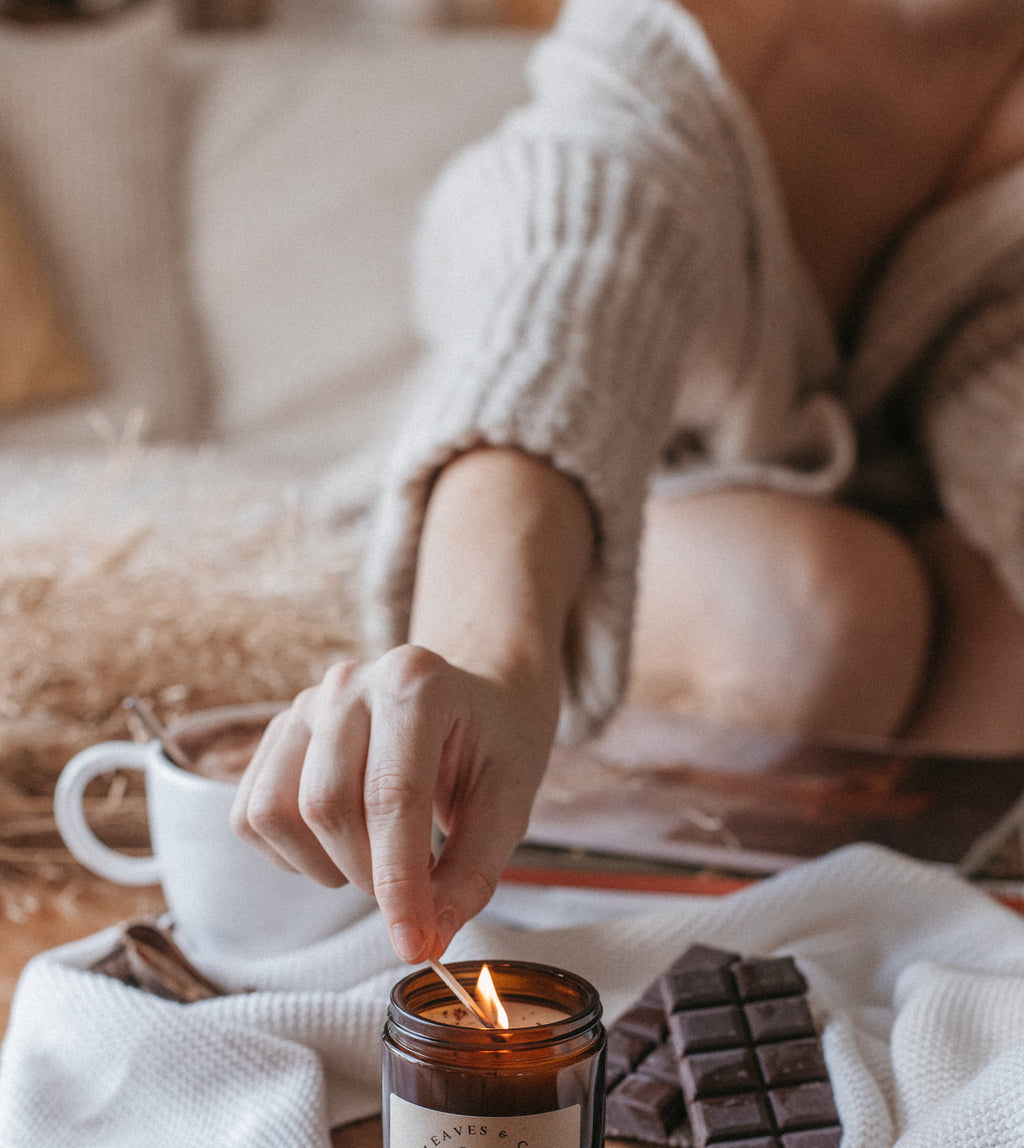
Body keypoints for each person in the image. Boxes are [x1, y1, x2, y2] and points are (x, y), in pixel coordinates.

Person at [231, 0, 1024, 963]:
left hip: (905, 547)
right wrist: (485, 656)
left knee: (1001, 641)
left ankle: (818, 960)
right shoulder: (702, 35)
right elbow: (570, 286)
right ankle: (539, 891)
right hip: (573, 527)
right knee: (811, 610)